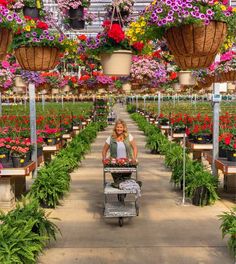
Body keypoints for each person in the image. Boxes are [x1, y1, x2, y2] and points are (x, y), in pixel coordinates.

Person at [102, 119, 138, 187]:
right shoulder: (110, 138)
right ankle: (120, 190)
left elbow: (135, 148)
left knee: (125, 181)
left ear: (124, 128)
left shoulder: (129, 137)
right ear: (115, 128)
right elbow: (104, 150)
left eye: (121, 127)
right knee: (117, 181)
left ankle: (122, 194)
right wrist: (104, 159)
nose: (119, 129)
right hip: (115, 164)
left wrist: (134, 158)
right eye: (118, 127)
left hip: (127, 164)